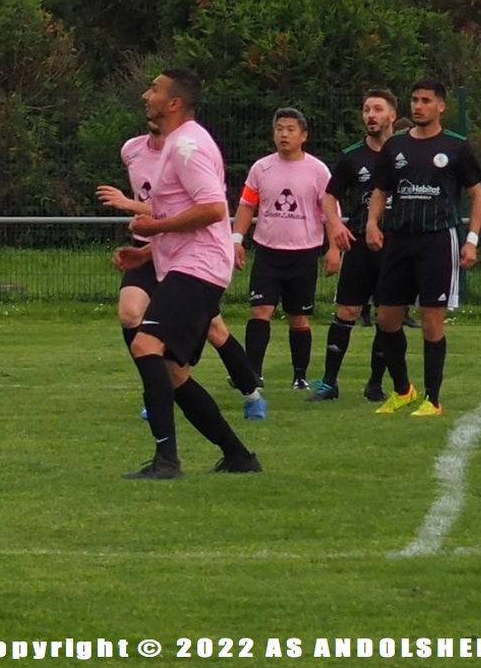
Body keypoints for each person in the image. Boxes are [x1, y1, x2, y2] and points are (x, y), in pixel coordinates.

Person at [113, 69, 260, 479]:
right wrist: (147, 253)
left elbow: (213, 209)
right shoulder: (178, 143)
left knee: (145, 346)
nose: (146, 96)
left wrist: (154, 228)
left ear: (174, 102)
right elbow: (188, 213)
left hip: (199, 268)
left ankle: (166, 462)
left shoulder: (187, 145)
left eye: (154, 90)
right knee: (173, 372)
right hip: (188, 264)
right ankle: (238, 456)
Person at [98, 132, 266, 421]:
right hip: (147, 249)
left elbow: (188, 209)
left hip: (184, 253)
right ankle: (157, 391)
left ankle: (252, 395)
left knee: (216, 331)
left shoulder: (188, 151)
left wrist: (130, 204)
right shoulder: (132, 150)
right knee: (129, 314)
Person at [364, 79, 481, 418]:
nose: (418, 106)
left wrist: (472, 240)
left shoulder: (457, 147)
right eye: (415, 100)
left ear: (441, 106)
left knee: (432, 321)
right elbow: (380, 190)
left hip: (437, 240)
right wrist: (372, 223)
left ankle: (433, 399)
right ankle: (403, 390)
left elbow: (477, 195)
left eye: (426, 101)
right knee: (386, 318)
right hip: (399, 240)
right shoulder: (396, 146)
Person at [230, 108, 337, 391]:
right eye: (279, 129)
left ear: (303, 136)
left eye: (290, 129)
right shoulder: (261, 168)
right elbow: (246, 205)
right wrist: (236, 240)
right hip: (268, 252)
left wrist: (334, 249)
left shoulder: (318, 171)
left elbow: (330, 213)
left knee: (299, 317)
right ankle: (253, 373)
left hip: (304, 254)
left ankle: (300, 376)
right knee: (260, 310)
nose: (284, 135)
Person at [314, 89, 398, 402]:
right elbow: (329, 195)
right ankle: (329, 383)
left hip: (395, 246)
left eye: (377, 109)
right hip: (360, 244)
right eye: (366, 109)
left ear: (392, 115)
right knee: (347, 310)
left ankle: (375, 384)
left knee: (387, 315)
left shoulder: (405, 152)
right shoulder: (352, 156)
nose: (370, 115)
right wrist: (336, 225)